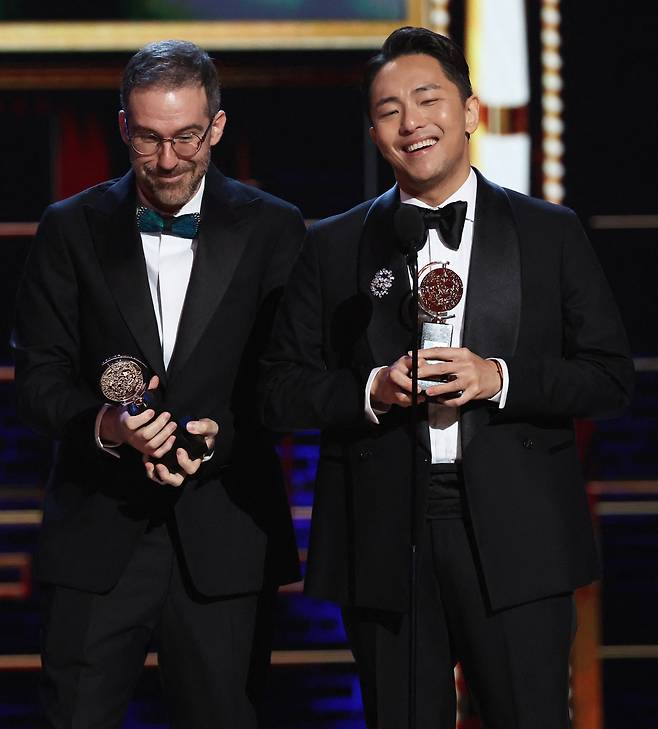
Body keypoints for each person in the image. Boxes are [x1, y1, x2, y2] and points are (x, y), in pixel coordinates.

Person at [260, 26, 633, 729]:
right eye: (388, 109)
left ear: (470, 110)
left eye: (427, 99)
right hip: (383, 534)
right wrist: (373, 389)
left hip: (519, 529)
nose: (411, 122)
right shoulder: (332, 245)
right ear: (374, 133)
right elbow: (280, 388)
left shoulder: (549, 233)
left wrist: (500, 377)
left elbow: (610, 377)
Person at [12, 39, 305, 728]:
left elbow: (290, 380)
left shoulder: (275, 228)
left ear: (218, 127)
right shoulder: (69, 229)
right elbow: (38, 379)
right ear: (122, 126)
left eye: (185, 137)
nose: (167, 159)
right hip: (96, 537)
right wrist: (107, 427)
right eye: (147, 138)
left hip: (226, 531)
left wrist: (218, 434)